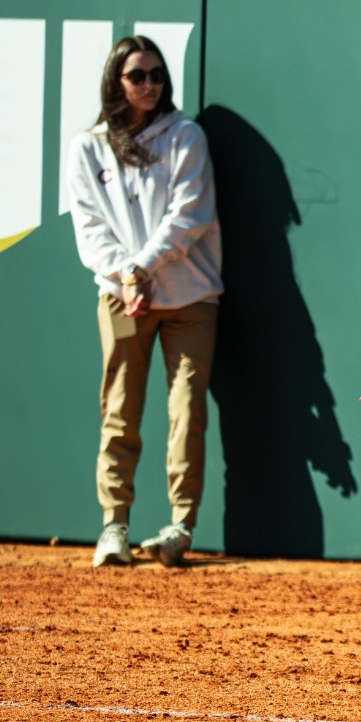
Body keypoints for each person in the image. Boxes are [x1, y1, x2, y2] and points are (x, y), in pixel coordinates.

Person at [70, 35, 222, 569]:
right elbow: (89, 229)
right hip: (121, 297)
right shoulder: (89, 146)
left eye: (157, 74)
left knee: (186, 411)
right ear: (116, 81)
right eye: (138, 76)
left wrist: (141, 269)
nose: (150, 85)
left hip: (190, 295)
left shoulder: (186, 136)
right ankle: (114, 528)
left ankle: (180, 527)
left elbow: (190, 215)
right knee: (119, 412)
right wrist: (125, 276)